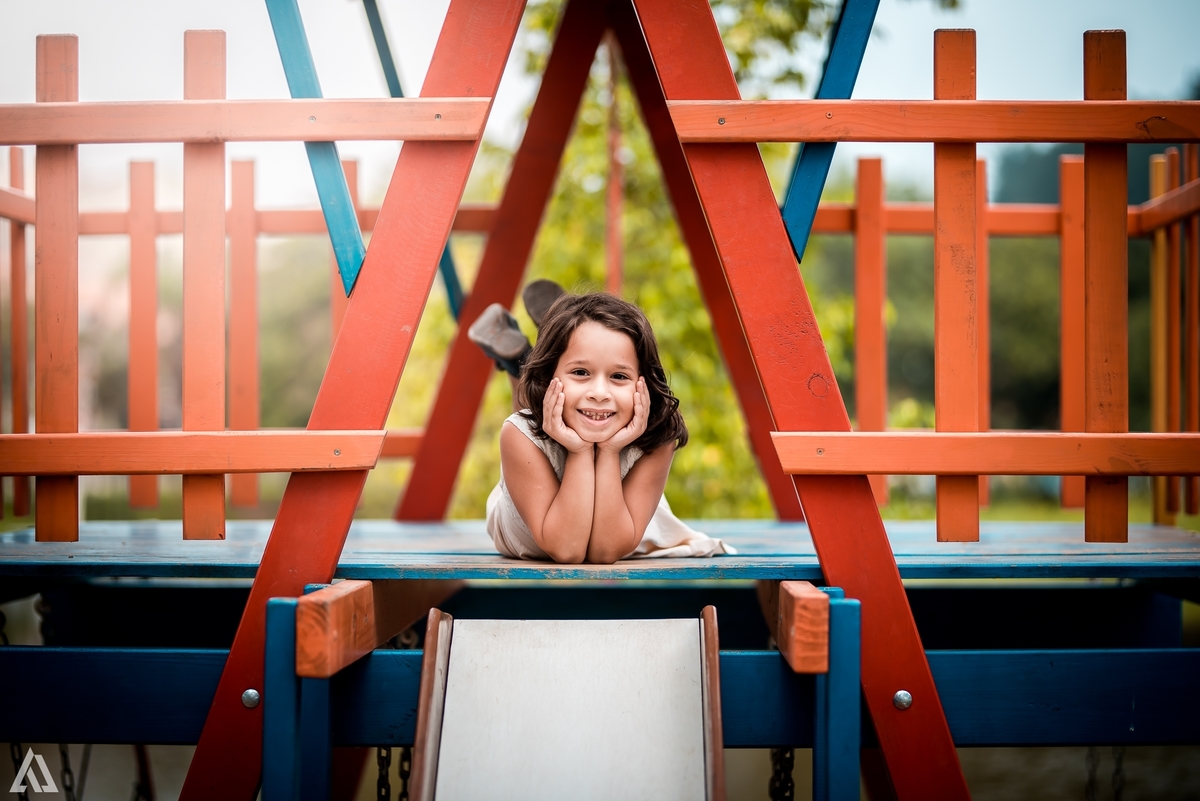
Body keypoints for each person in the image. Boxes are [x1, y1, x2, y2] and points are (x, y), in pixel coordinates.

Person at [470, 288, 734, 564]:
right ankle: (529, 359)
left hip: (622, 515)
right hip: (528, 509)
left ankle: (536, 351)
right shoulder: (517, 435)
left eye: (618, 376)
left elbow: (606, 551)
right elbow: (567, 549)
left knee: (566, 403)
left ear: (643, 384)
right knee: (539, 415)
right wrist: (580, 450)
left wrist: (608, 451)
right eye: (581, 372)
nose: (599, 392)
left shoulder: (658, 436)